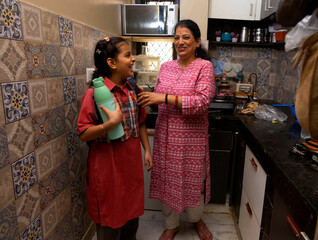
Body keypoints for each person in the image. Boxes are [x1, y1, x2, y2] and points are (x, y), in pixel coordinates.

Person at [137, 19, 216, 240]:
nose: (179, 42)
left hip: (192, 138)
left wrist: (163, 97)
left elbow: (201, 102)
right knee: (167, 180)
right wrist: (149, 98)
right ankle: (171, 225)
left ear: (197, 41)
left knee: (193, 181)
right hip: (166, 136)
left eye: (186, 37)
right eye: (176, 37)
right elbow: (160, 99)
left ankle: (196, 219)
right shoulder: (166, 67)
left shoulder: (204, 66)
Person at [77, 36, 153, 240]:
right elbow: (83, 133)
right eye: (127, 55)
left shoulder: (133, 90)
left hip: (131, 169)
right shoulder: (94, 94)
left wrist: (147, 150)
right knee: (109, 225)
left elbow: (141, 121)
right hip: (107, 172)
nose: (133, 59)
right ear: (111, 63)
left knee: (130, 223)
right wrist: (109, 125)